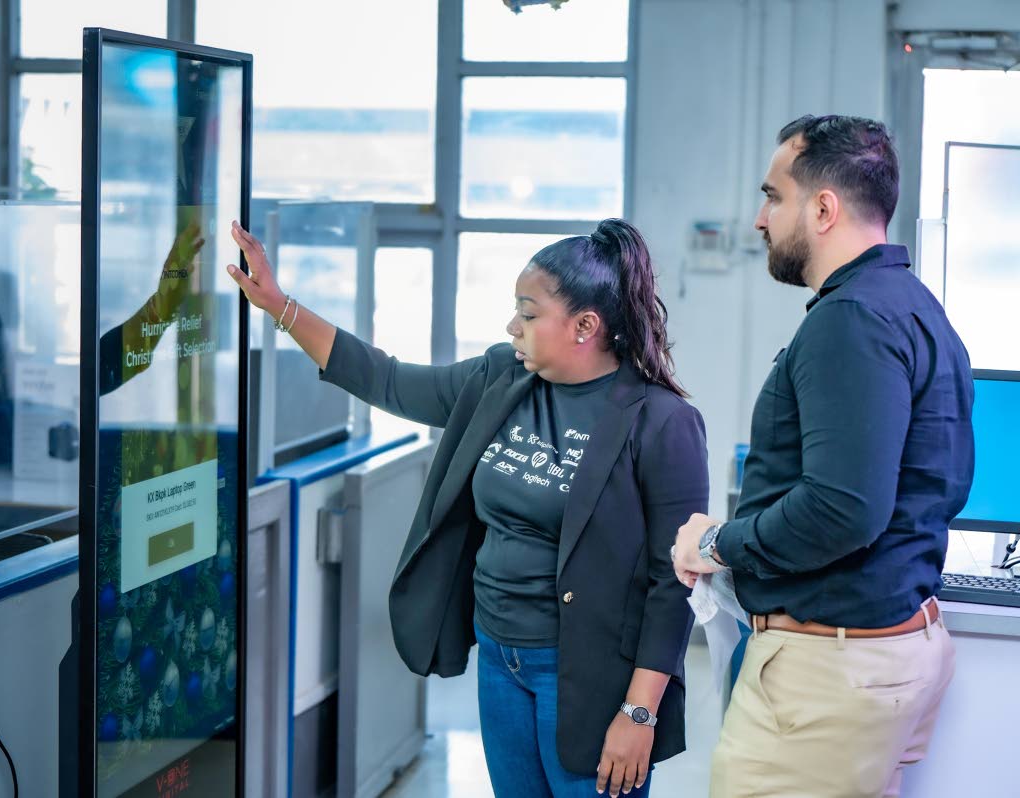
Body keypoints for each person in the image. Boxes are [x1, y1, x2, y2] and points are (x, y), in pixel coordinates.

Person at [228, 218, 708, 797]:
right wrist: (280, 306)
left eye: (529, 314)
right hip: (500, 659)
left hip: (591, 675)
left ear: (585, 326)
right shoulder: (498, 379)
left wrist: (639, 713)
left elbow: (673, 581)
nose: (514, 326)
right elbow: (386, 379)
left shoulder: (661, 422)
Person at [673, 114, 973, 798]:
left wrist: (717, 543)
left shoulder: (852, 321)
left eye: (773, 197)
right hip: (887, 651)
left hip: (829, 677)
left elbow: (842, 509)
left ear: (824, 207)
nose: (758, 219)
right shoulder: (916, 306)